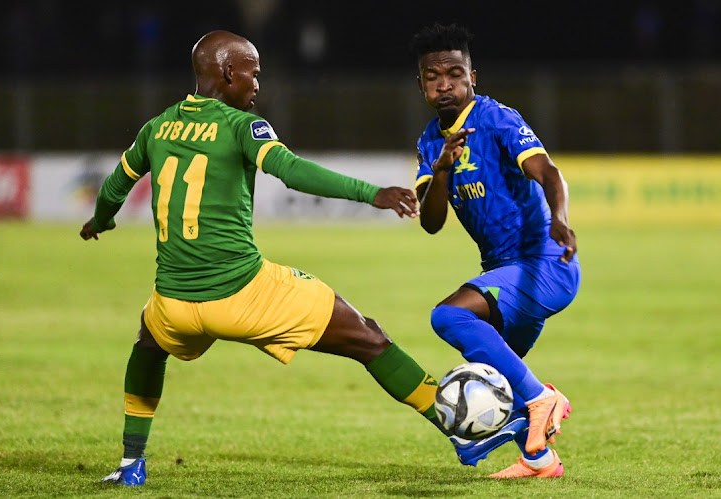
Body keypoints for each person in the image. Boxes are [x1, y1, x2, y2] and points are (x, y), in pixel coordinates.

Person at [81, 30, 454, 487]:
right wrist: (370, 192)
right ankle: (461, 426)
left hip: (174, 305)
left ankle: (130, 463)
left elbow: (115, 186)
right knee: (370, 339)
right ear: (227, 72)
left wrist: (99, 222)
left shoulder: (158, 126)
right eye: (253, 73)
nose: (258, 83)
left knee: (148, 343)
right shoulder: (243, 127)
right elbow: (291, 171)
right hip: (244, 295)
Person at [408, 23, 581, 478]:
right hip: (506, 272)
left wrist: (559, 218)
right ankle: (538, 457)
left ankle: (546, 399)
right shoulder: (430, 142)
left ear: (472, 78)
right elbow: (431, 222)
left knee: (449, 317)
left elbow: (548, 172)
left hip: (543, 265)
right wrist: (442, 169)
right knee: (496, 378)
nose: (444, 84)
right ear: (421, 83)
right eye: (432, 76)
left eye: (454, 73)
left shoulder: (496, 118)